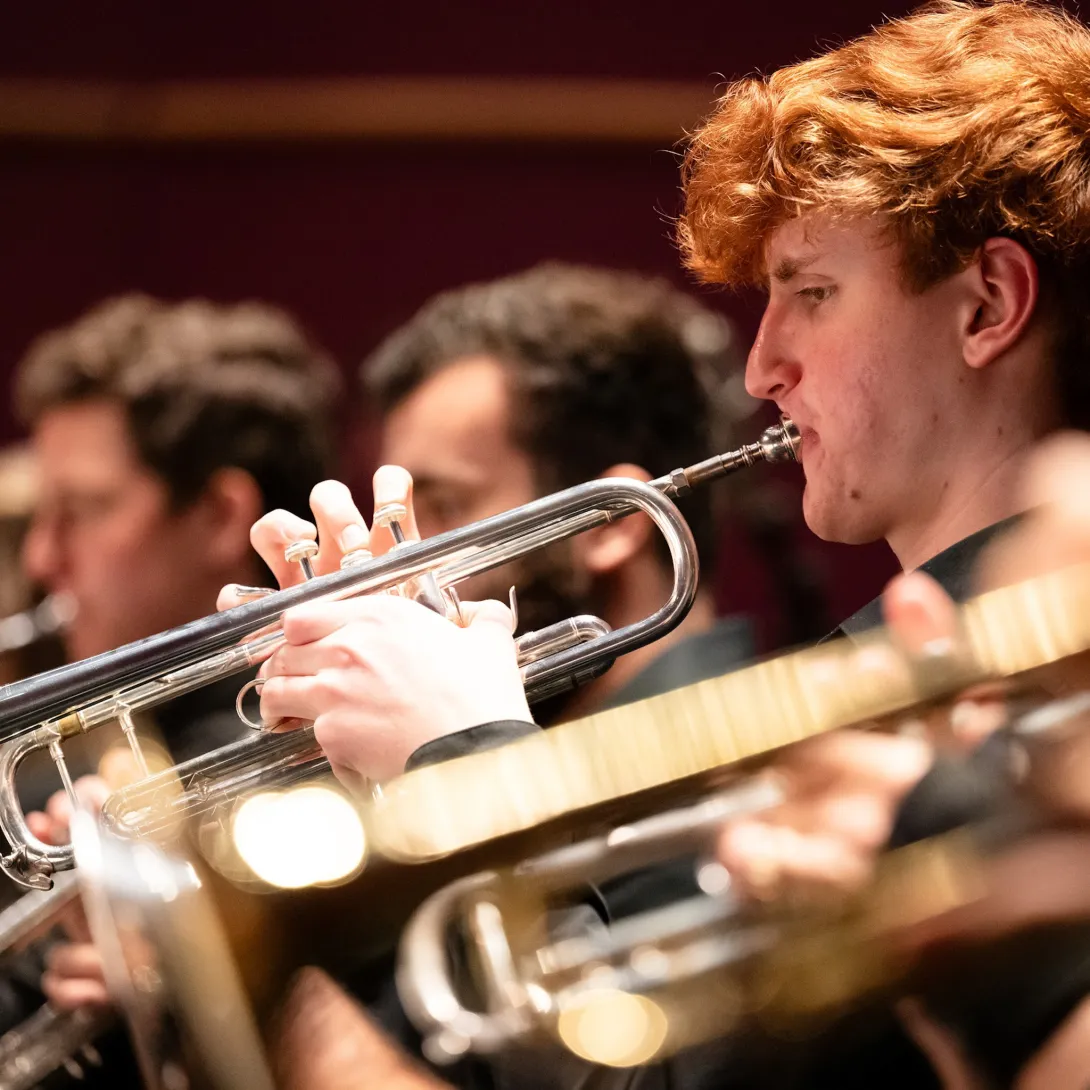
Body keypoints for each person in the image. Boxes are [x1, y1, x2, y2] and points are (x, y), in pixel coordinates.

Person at [3, 293, 340, 1086]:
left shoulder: (334, 761)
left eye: (83, 510)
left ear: (221, 514)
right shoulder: (66, 766)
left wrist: (192, 984)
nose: (43, 558)